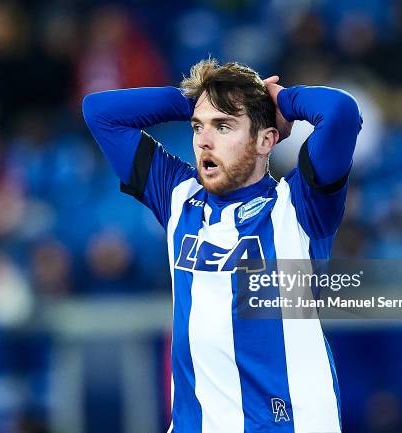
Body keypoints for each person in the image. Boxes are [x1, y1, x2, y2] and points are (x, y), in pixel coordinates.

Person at [82, 58, 362, 433]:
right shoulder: (178, 196)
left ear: (266, 140)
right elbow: (99, 112)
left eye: (224, 125)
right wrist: (197, 100)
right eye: (199, 126)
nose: (204, 140)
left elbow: (341, 112)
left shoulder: (298, 206)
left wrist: (281, 99)